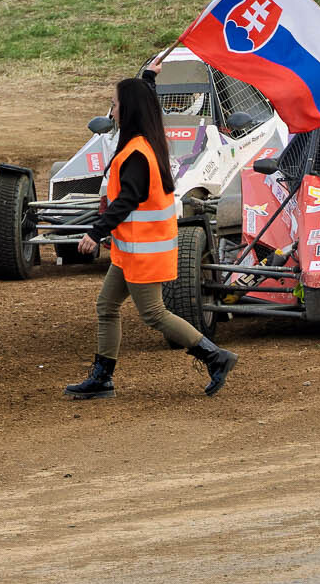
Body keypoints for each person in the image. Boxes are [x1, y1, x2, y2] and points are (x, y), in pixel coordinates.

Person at [63, 76, 237, 401]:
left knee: (154, 313)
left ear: (128, 110)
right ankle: (102, 378)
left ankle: (215, 356)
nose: (112, 112)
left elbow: (126, 201)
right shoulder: (146, 143)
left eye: (115, 105)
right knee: (107, 306)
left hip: (143, 253)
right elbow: (146, 105)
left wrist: (95, 232)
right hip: (132, 250)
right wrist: (148, 80)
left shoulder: (136, 154)